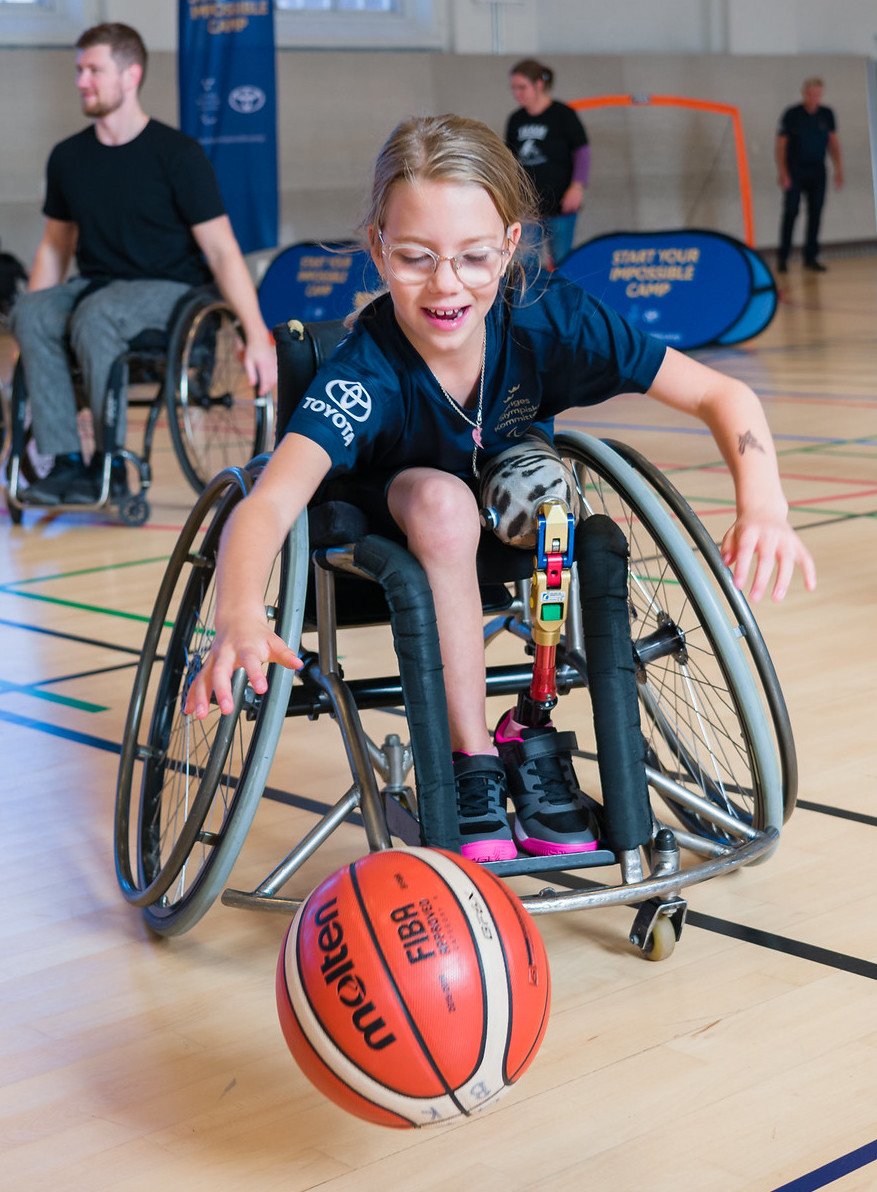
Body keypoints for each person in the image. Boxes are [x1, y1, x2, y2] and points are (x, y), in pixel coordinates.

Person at [185, 114, 816, 864]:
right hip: (388, 510)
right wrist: (237, 614)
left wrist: (764, 506)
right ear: (379, 248)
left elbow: (724, 397)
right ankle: (471, 758)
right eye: (416, 258)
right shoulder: (361, 370)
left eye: (474, 258)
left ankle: (532, 720)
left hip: (508, 494)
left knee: (555, 492)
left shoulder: (552, 317)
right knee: (442, 505)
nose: (446, 285)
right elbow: (267, 503)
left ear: (511, 245)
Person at [9, 22, 276, 506]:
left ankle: (107, 463)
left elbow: (221, 250)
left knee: (99, 311)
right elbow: (54, 249)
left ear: (130, 75)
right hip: (98, 287)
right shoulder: (68, 158)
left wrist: (254, 333)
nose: (81, 81)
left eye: (93, 70)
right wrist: (29, 337)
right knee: (31, 311)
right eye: (79, 70)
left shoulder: (178, 155)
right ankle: (67, 462)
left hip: (173, 294)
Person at [504, 59, 589, 268]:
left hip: (560, 206)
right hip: (528, 208)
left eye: (522, 87)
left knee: (563, 262)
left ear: (538, 85)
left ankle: (561, 301)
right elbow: (509, 159)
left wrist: (577, 187)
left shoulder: (563, 115)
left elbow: (583, 153)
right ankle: (528, 301)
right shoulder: (516, 119)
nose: (517, 93)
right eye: (514, 88)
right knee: (525, 263)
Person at [775, 77, 843, 273]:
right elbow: (781, 145)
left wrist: (838, 169)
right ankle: (783, 257)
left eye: (818, 94)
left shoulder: (826, 114)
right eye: (811, 94)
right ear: (804, 93)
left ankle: (810, 257)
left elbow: (833, 143)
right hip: (795, 169)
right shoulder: (792, 114)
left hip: (817, 169)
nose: (814, 98)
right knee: (790, 212)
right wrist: (783, 172)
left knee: (816, 212)